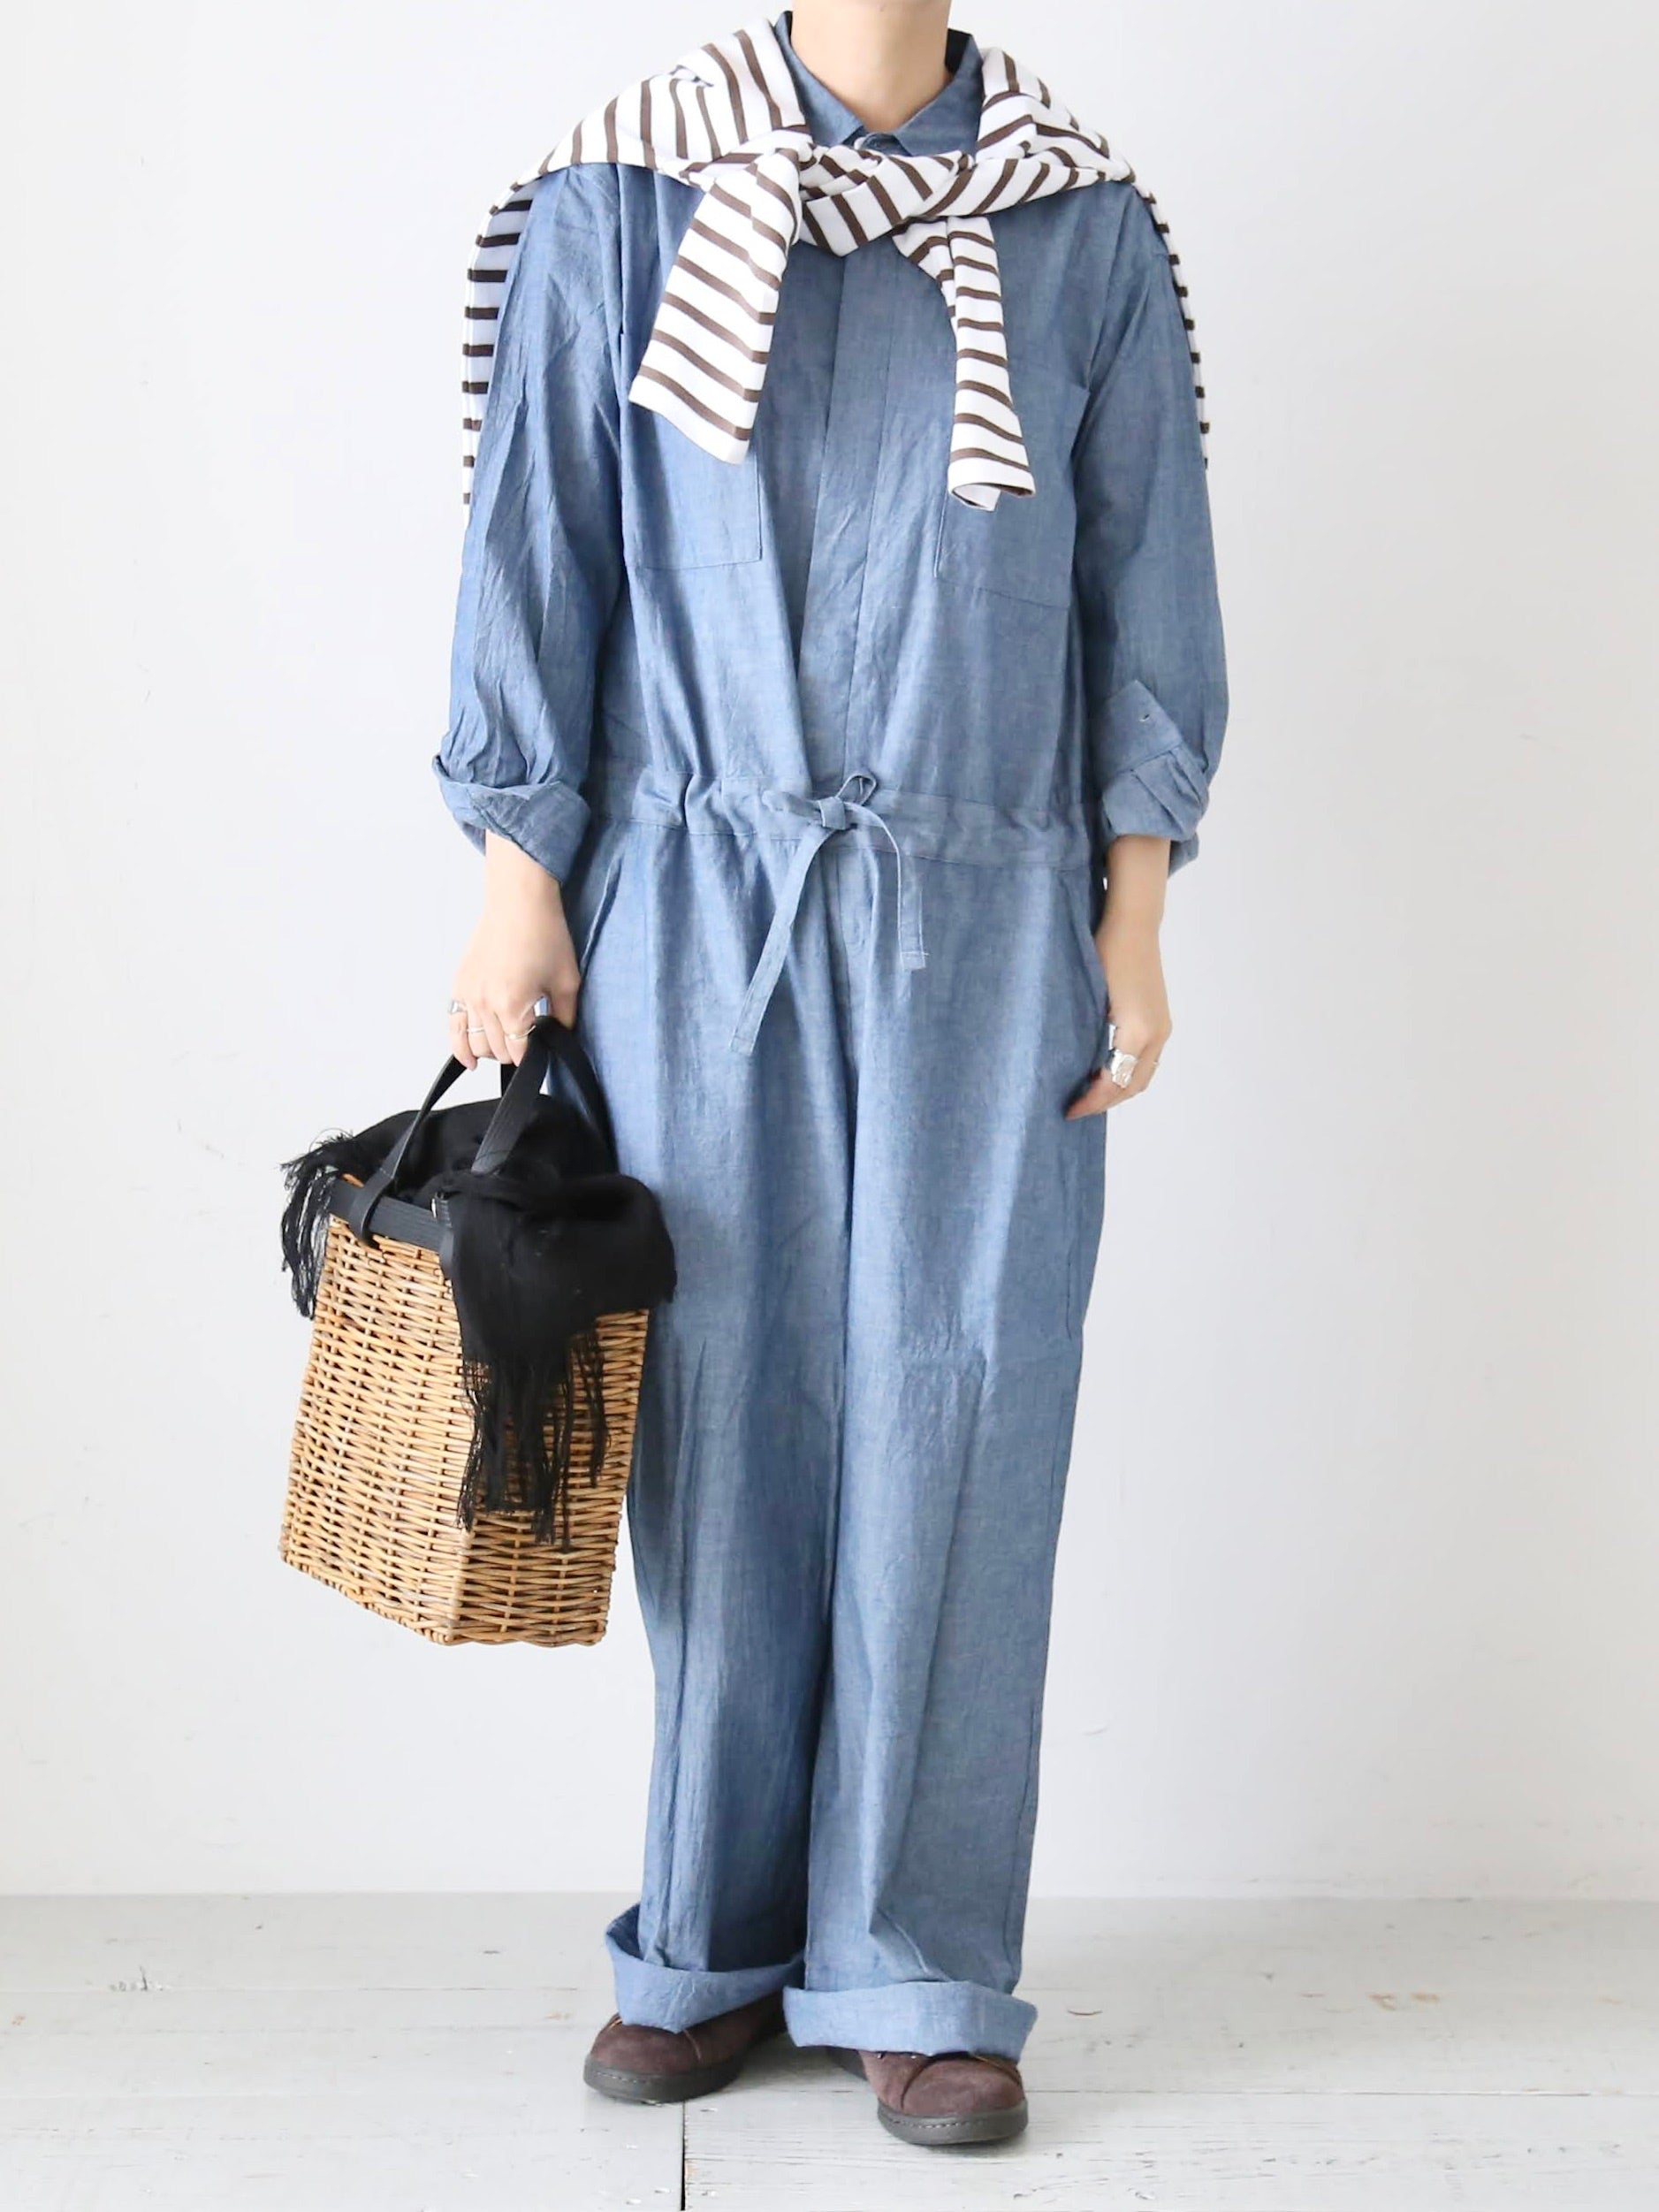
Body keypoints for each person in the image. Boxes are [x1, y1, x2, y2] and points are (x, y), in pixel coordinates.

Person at [437, 0, 1226, 2150]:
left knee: (965, 1396)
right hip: (696, 892)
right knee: (720, 1407)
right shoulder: (620, 190)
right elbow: (543, 535)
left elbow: (1144, 567)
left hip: (993, 901)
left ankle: (918, 1963)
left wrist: (1134, 909)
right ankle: (707, 1934)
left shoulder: (1080, 222)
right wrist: (519, 874)